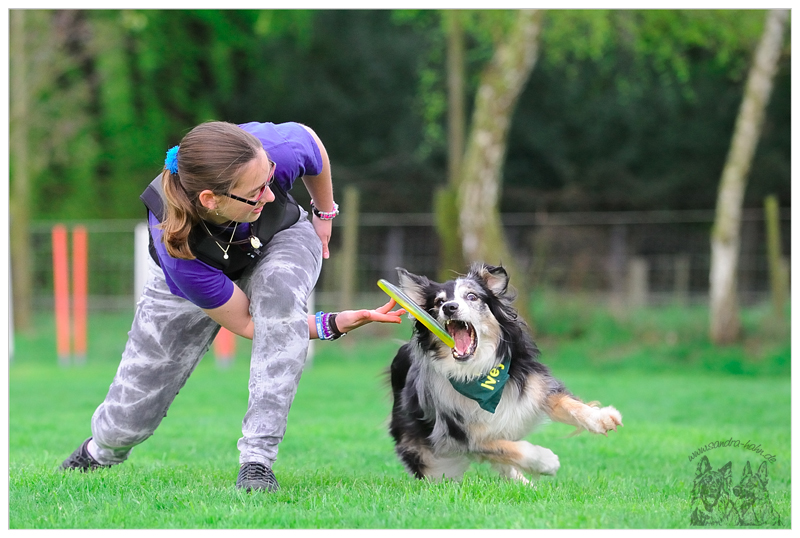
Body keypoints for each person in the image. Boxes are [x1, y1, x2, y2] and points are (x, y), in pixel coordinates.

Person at [60, 120, 405, 492]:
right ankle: (101, 450)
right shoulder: (180, 256)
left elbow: (313, 146)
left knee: (278, 289)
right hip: (196, 277)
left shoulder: (271, 151)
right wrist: (330, 324)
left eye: (269, 179)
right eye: (257, 191)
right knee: (128, 419)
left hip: (279, 238)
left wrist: (324, 214)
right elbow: (248, 323)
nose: (270, 194)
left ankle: (257, 461)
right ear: (211, 199)